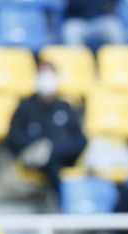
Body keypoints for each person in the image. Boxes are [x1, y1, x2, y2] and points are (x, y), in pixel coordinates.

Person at [6, 61, 87, 195]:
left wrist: (57, 148)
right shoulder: (25, 107)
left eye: (49, 75)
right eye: (42, 74)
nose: (46, 80)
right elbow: (14, 137)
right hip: (38, 159)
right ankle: (58, 200)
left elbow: (79, 138)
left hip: (65, 156)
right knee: (50, 159)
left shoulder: (64, 107)